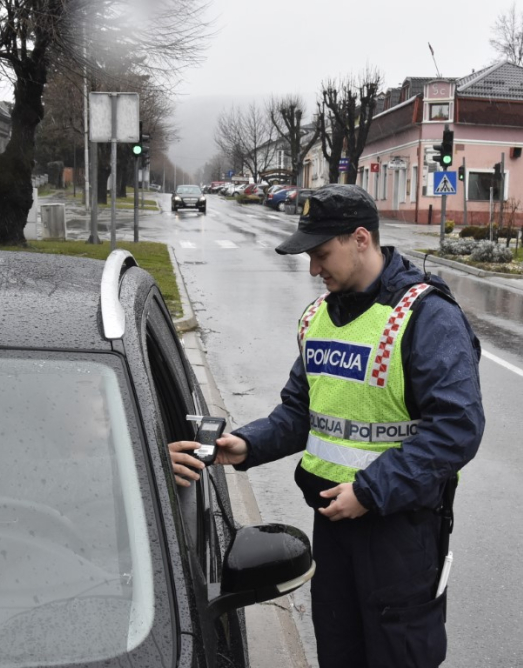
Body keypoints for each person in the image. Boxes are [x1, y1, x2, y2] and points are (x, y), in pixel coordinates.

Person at [169, 184, 485, 668]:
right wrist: (247, 444)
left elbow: (457, 427)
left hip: (400, 529)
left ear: (361, 238)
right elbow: (300, 412)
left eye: (321, 254)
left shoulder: (426, 316)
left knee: (397, 656)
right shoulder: (319, 317)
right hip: (335, 523)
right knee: (339, 653)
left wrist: (371, 491)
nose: (314, 270)